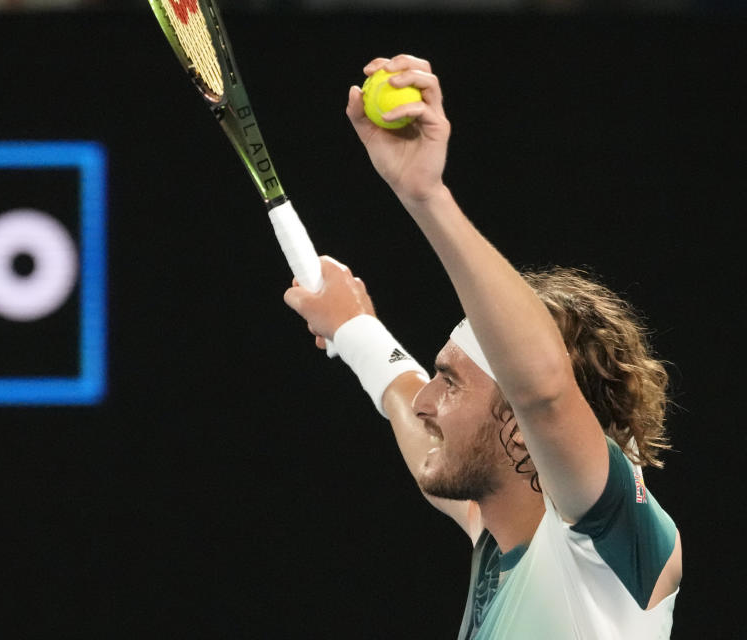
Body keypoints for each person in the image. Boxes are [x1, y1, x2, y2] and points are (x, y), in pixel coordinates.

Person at [283, 55, 682, 639]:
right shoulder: (498, 534)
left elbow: (543, 392)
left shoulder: (606, 549)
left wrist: (425, 195)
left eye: (451, 381)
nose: (427, 400)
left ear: (521, 426)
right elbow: (409, 405)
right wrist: (355, 329)